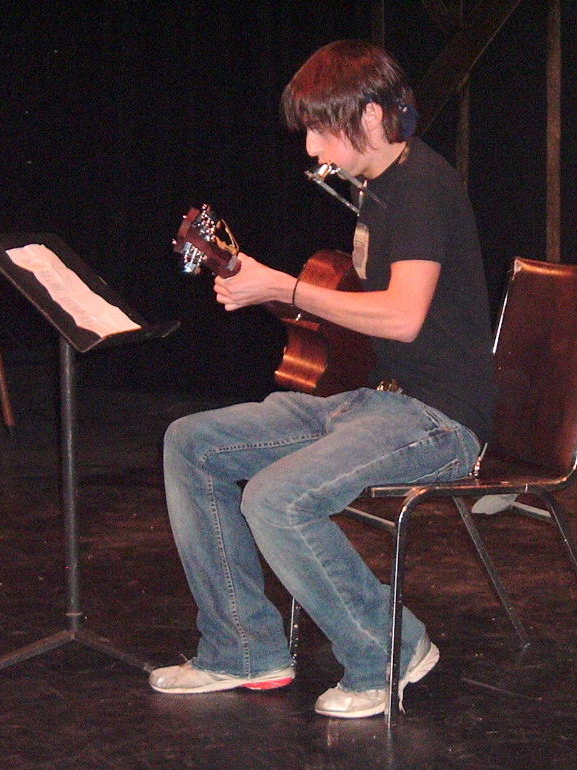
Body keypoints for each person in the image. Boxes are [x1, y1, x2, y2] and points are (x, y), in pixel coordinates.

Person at [149, 39, 495, 719]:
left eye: (320, 129)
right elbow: (374, 315)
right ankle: (244, 649)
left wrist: (283, 287)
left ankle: (388, 649)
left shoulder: (422, 187)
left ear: (370, 115)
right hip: (379, 403)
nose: (311, 148)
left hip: (440, 419)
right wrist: (265, 286)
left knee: (277, 498)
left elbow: (401, 317)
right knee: (192, 442)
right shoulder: (381, 188)